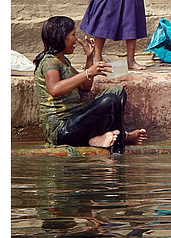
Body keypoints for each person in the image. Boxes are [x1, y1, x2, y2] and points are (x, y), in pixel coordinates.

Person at [33, 16, 147, 153]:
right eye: (73, 35)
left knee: (117, 91)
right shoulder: (49, 62)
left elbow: (85, 87)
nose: (76, 39)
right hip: (61, 130)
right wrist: (88, 73)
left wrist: (89, 58)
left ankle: (98, 138)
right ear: (61, 37)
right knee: (110, 101)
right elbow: (55, 89)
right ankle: (121, 139)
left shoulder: (64, 61)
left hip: (76, 121)